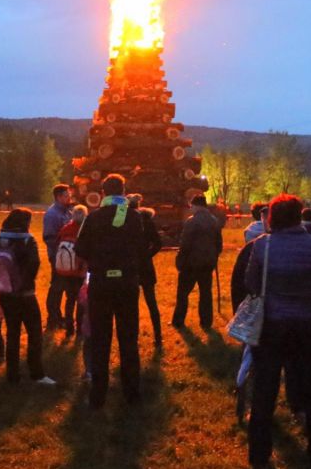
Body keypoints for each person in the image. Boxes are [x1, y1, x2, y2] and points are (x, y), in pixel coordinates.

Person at [245, 194, 311, 469]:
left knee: (264, 389)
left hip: (271, 325)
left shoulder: (262, 247)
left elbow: (251, 283)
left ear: (272, 217)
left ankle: (259, 454)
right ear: (299, 216)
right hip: (307, 325)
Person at [74, 174, 147, 408]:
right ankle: (132, 393)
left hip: (101, 285)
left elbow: (81, 248)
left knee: (99, 340)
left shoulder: (94, 217)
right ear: (124, 191)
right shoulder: (134, 217)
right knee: (128, 338)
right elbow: (142, 248)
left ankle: (98, 395)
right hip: (126, 283)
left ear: (103, 193)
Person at [0, 208, 55, 385]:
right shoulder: (28, 240)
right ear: (25, 222)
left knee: (13, 334)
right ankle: (37, 373)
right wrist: (25, 282)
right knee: (34, 333)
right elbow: (35, 262)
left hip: (6, 295)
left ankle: (12, 376)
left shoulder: (2, 239)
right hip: (26, 295)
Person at [171, 195, 223, 330]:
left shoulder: (191, 222)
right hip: (207, 263)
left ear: (196, 206)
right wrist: (214, 256)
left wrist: (180, 260)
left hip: (191, 264)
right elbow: (219, 244)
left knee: (182, 293)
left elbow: (185, 244)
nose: (191, 209)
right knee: (206, 293)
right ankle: (206, 322)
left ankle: (178, 320)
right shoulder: (214, 221)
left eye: (191, 206)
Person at [128, 194, 163, 350]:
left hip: (131, 266)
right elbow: (158, 243)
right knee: (151, 302)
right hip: (146, 266)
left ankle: (133, 337)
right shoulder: (147, 221)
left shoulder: (127, 222)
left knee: (131, 305)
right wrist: (147, 255)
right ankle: (158, 336)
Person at [42, 184, 74, 331]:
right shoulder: (52, 214)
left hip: (69, 257)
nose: (69, 197)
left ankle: (61, 318)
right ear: (59, 197)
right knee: (57, 287)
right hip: (58, 256)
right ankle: (53, 318)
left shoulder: (68, 211)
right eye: (67, 195)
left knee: (67, 287)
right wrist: (63, 247)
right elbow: (48, 237)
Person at [55, 204, 89, 336]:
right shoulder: (85, 229)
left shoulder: (66, 228)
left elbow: (57, 243)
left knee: (69, 299)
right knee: (81, 299)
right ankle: (80, 328)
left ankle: (69, 327)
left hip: (66, 269)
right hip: (80, 270)